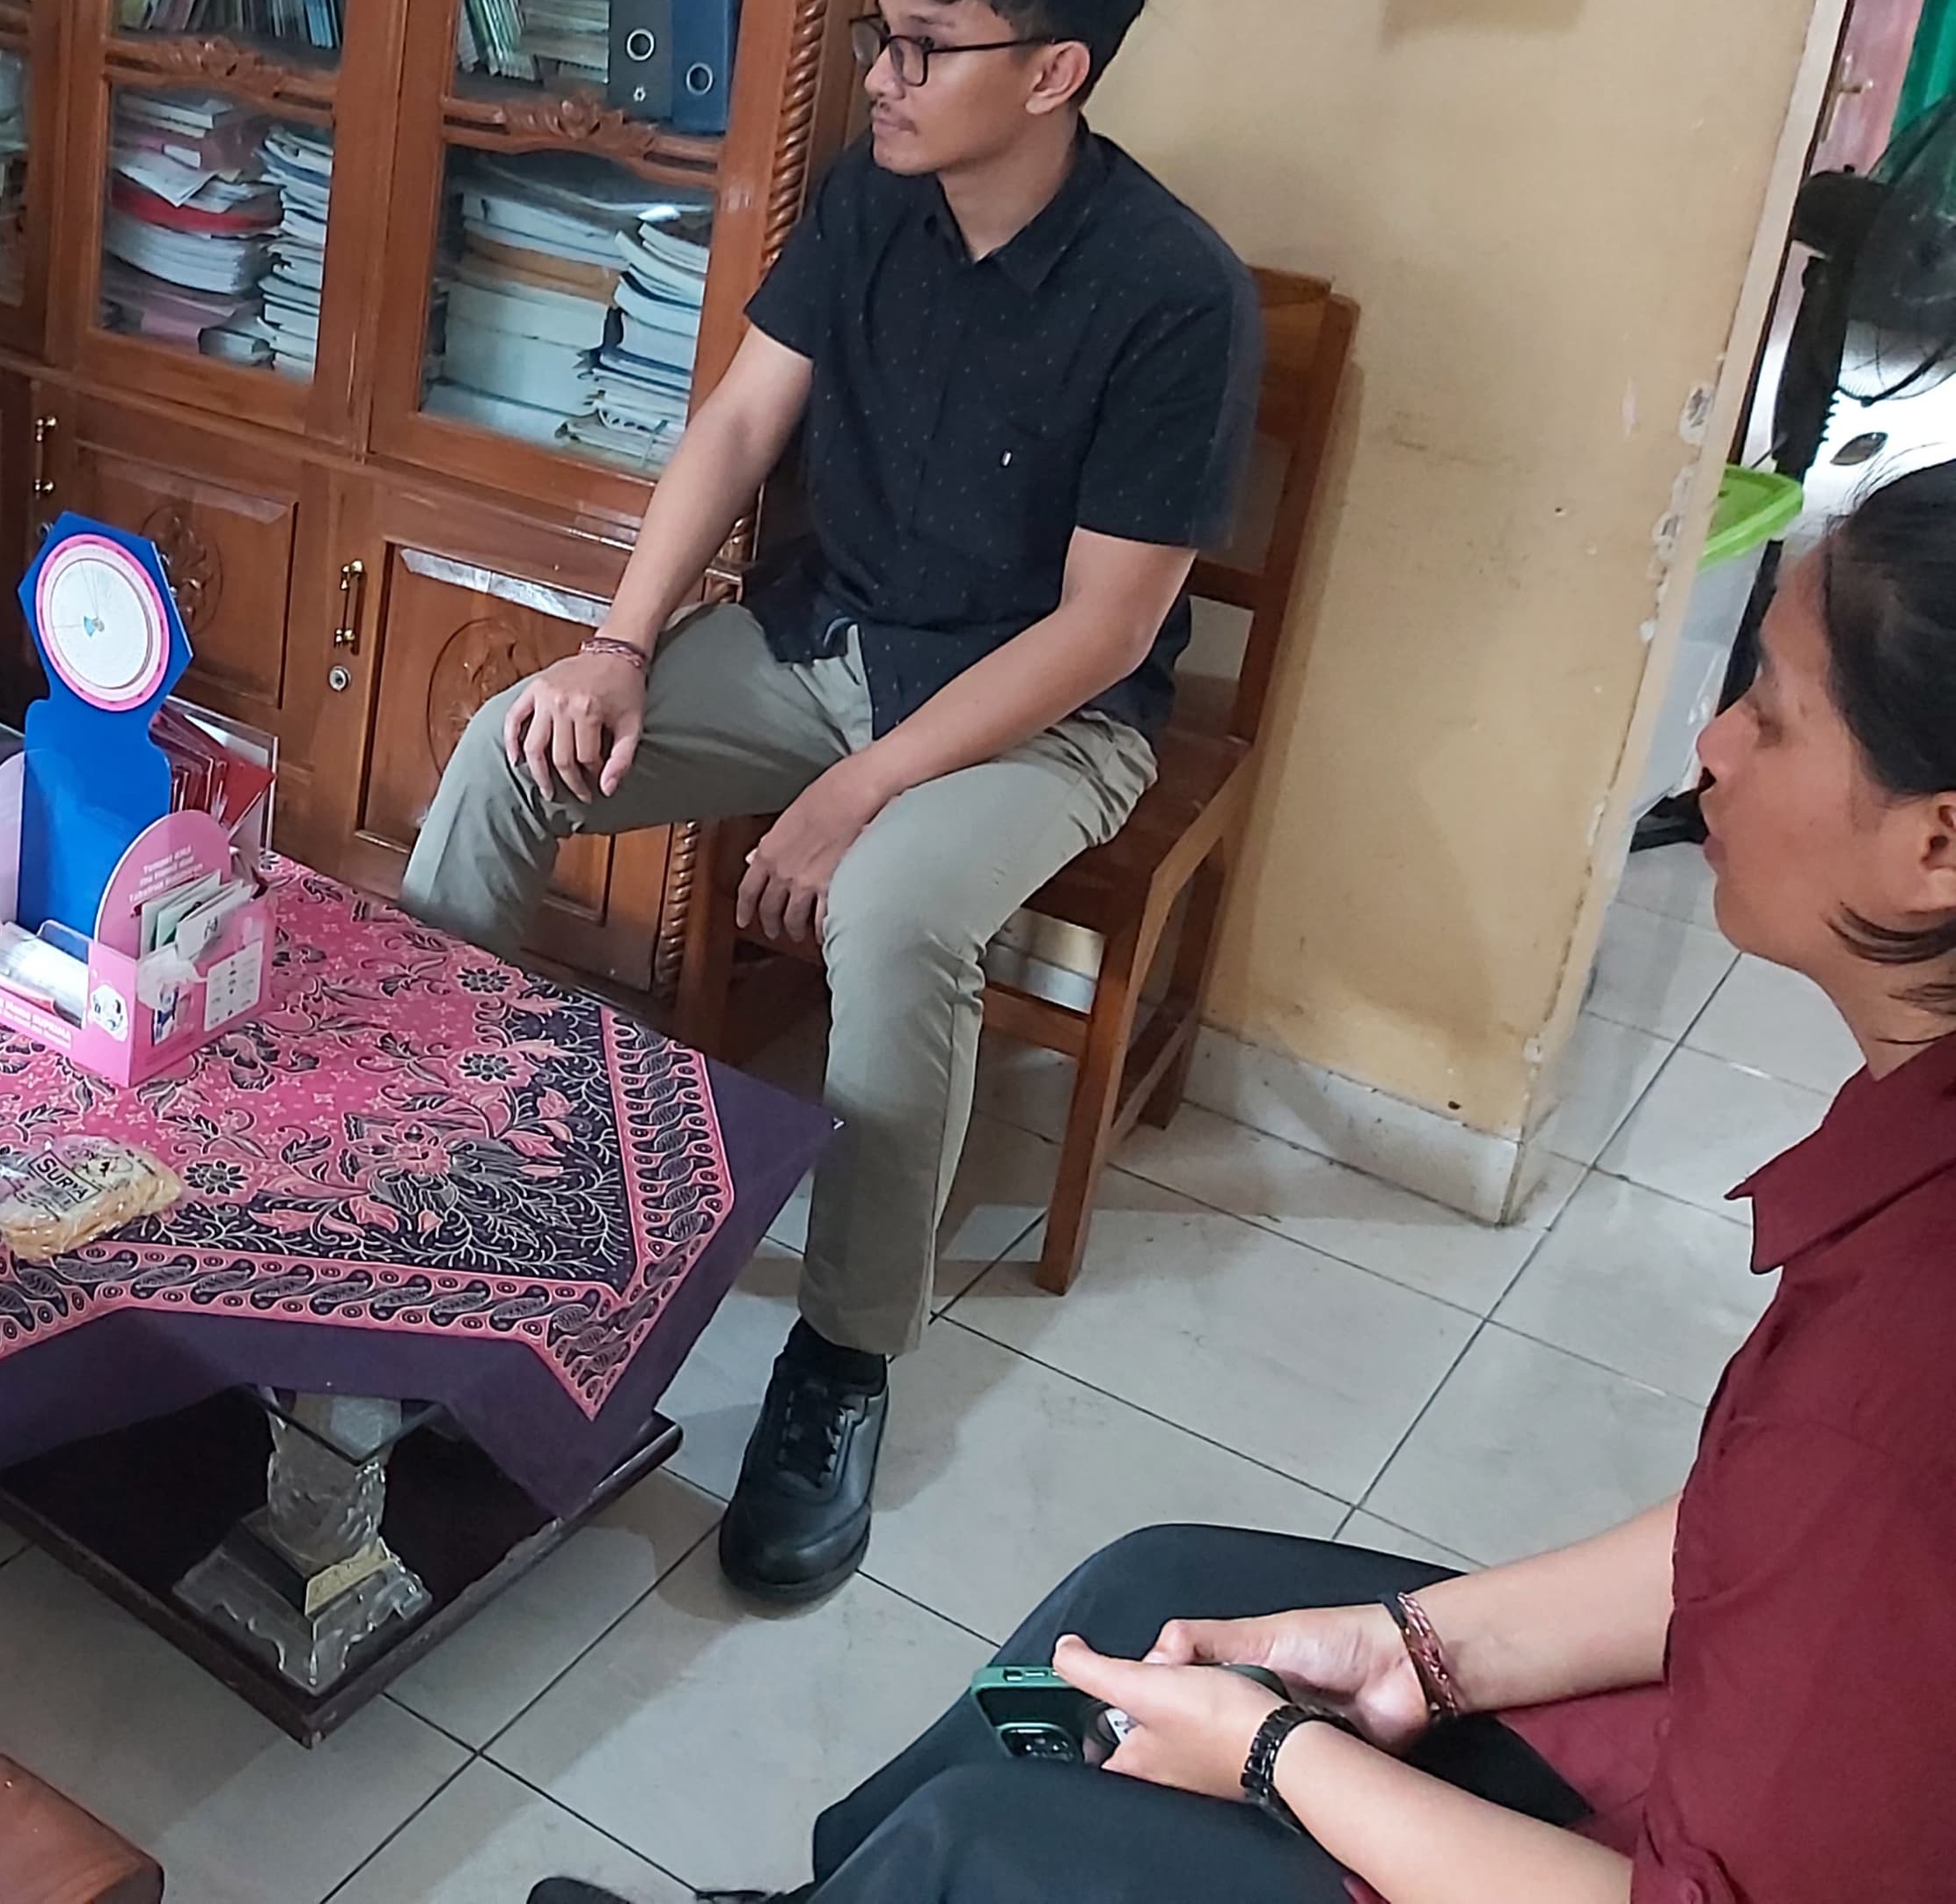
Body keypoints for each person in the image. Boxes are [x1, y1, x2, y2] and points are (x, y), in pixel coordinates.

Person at [533, 459, 1956, 1904]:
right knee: (1147, 1599)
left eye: (1771, 713)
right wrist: (1410, 1651)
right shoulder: (1905, 1174)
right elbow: (1739, 1542)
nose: (1709, 743)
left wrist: (1279, 1756)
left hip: (1654, 1850)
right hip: (1693, 1727)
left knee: (999, 1845)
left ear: (1937, 843)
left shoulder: (1895, 1385)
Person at [407, 0, 1260, 1605]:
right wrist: (617, 647)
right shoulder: (874, 195)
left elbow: (1104, 626)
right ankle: (422, 1166)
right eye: (886, 33)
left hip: (1038, 720)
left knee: (893, 910)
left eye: (927, 48)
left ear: (1054, 72)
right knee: (512, 747)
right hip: (822, 644)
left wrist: (862, 792)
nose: (881, 75)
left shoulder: (1173, 294)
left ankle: (844, 1359)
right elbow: (737, 422)